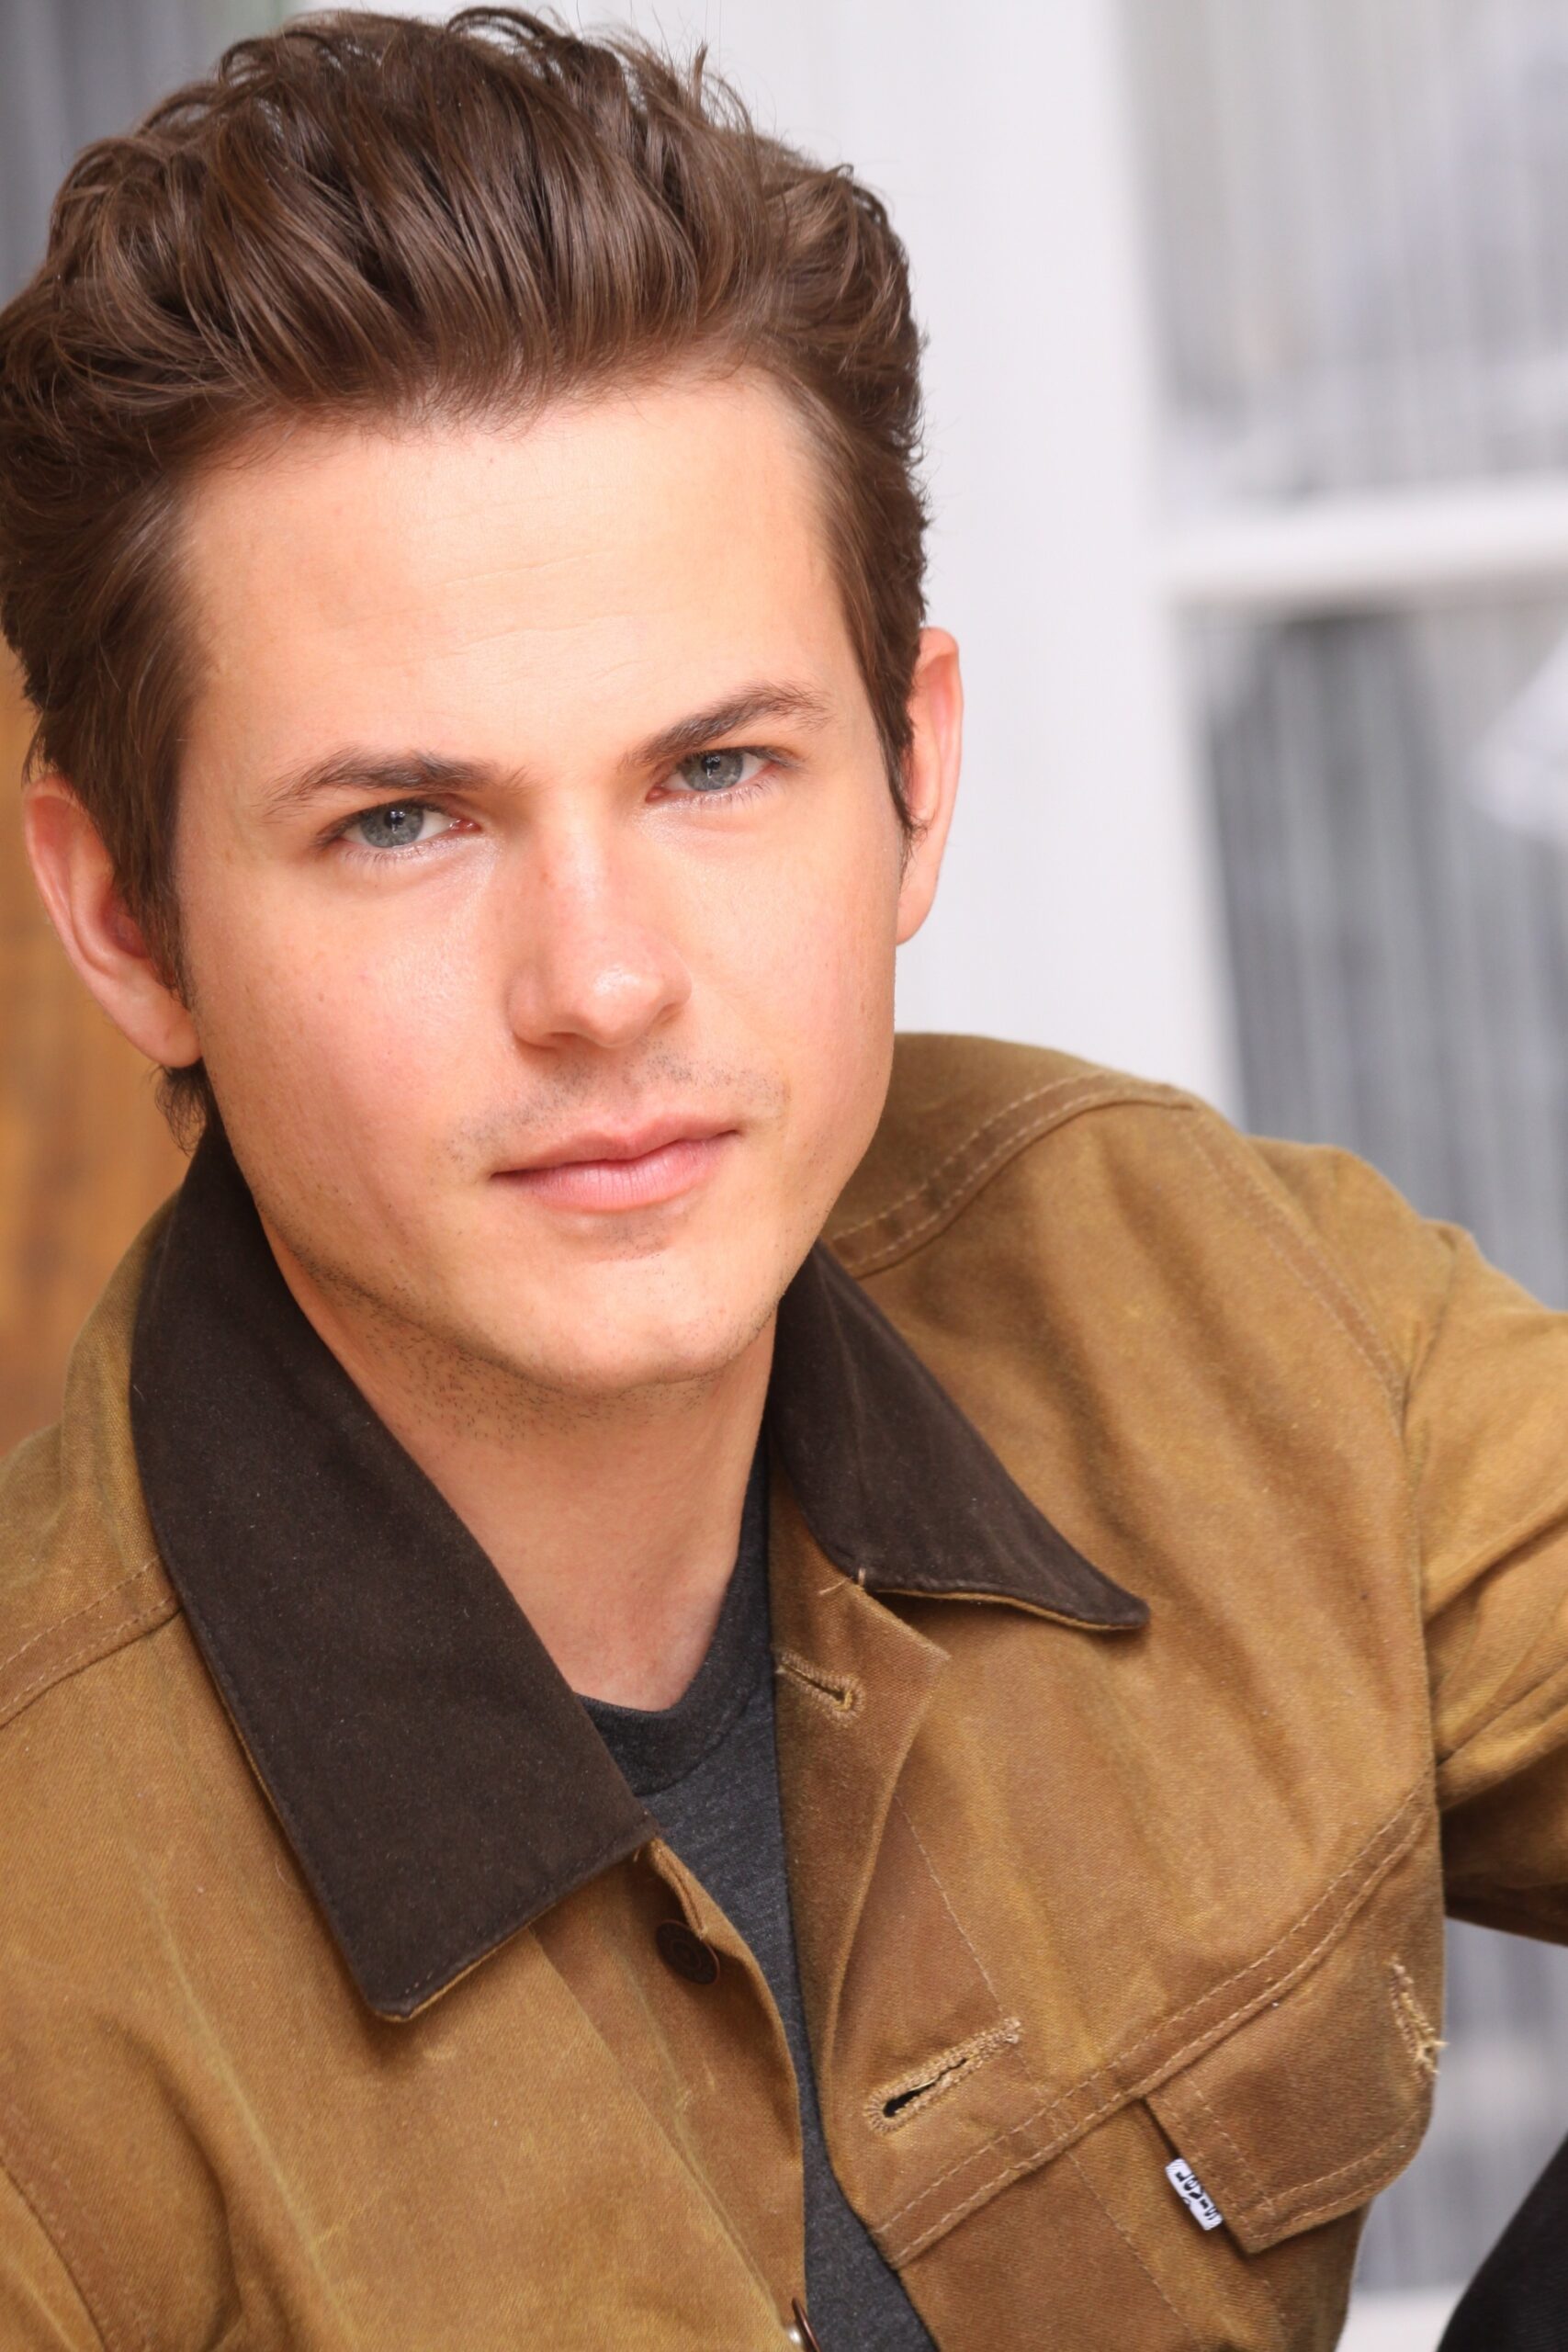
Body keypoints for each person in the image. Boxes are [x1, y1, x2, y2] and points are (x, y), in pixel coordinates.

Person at [0, 11, 1564, 2348]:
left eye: (715, 769)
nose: (601, 981)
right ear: (125, 915)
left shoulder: (1216, 1290)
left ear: (912, 771)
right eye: (402, 821)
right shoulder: (45, 1962)